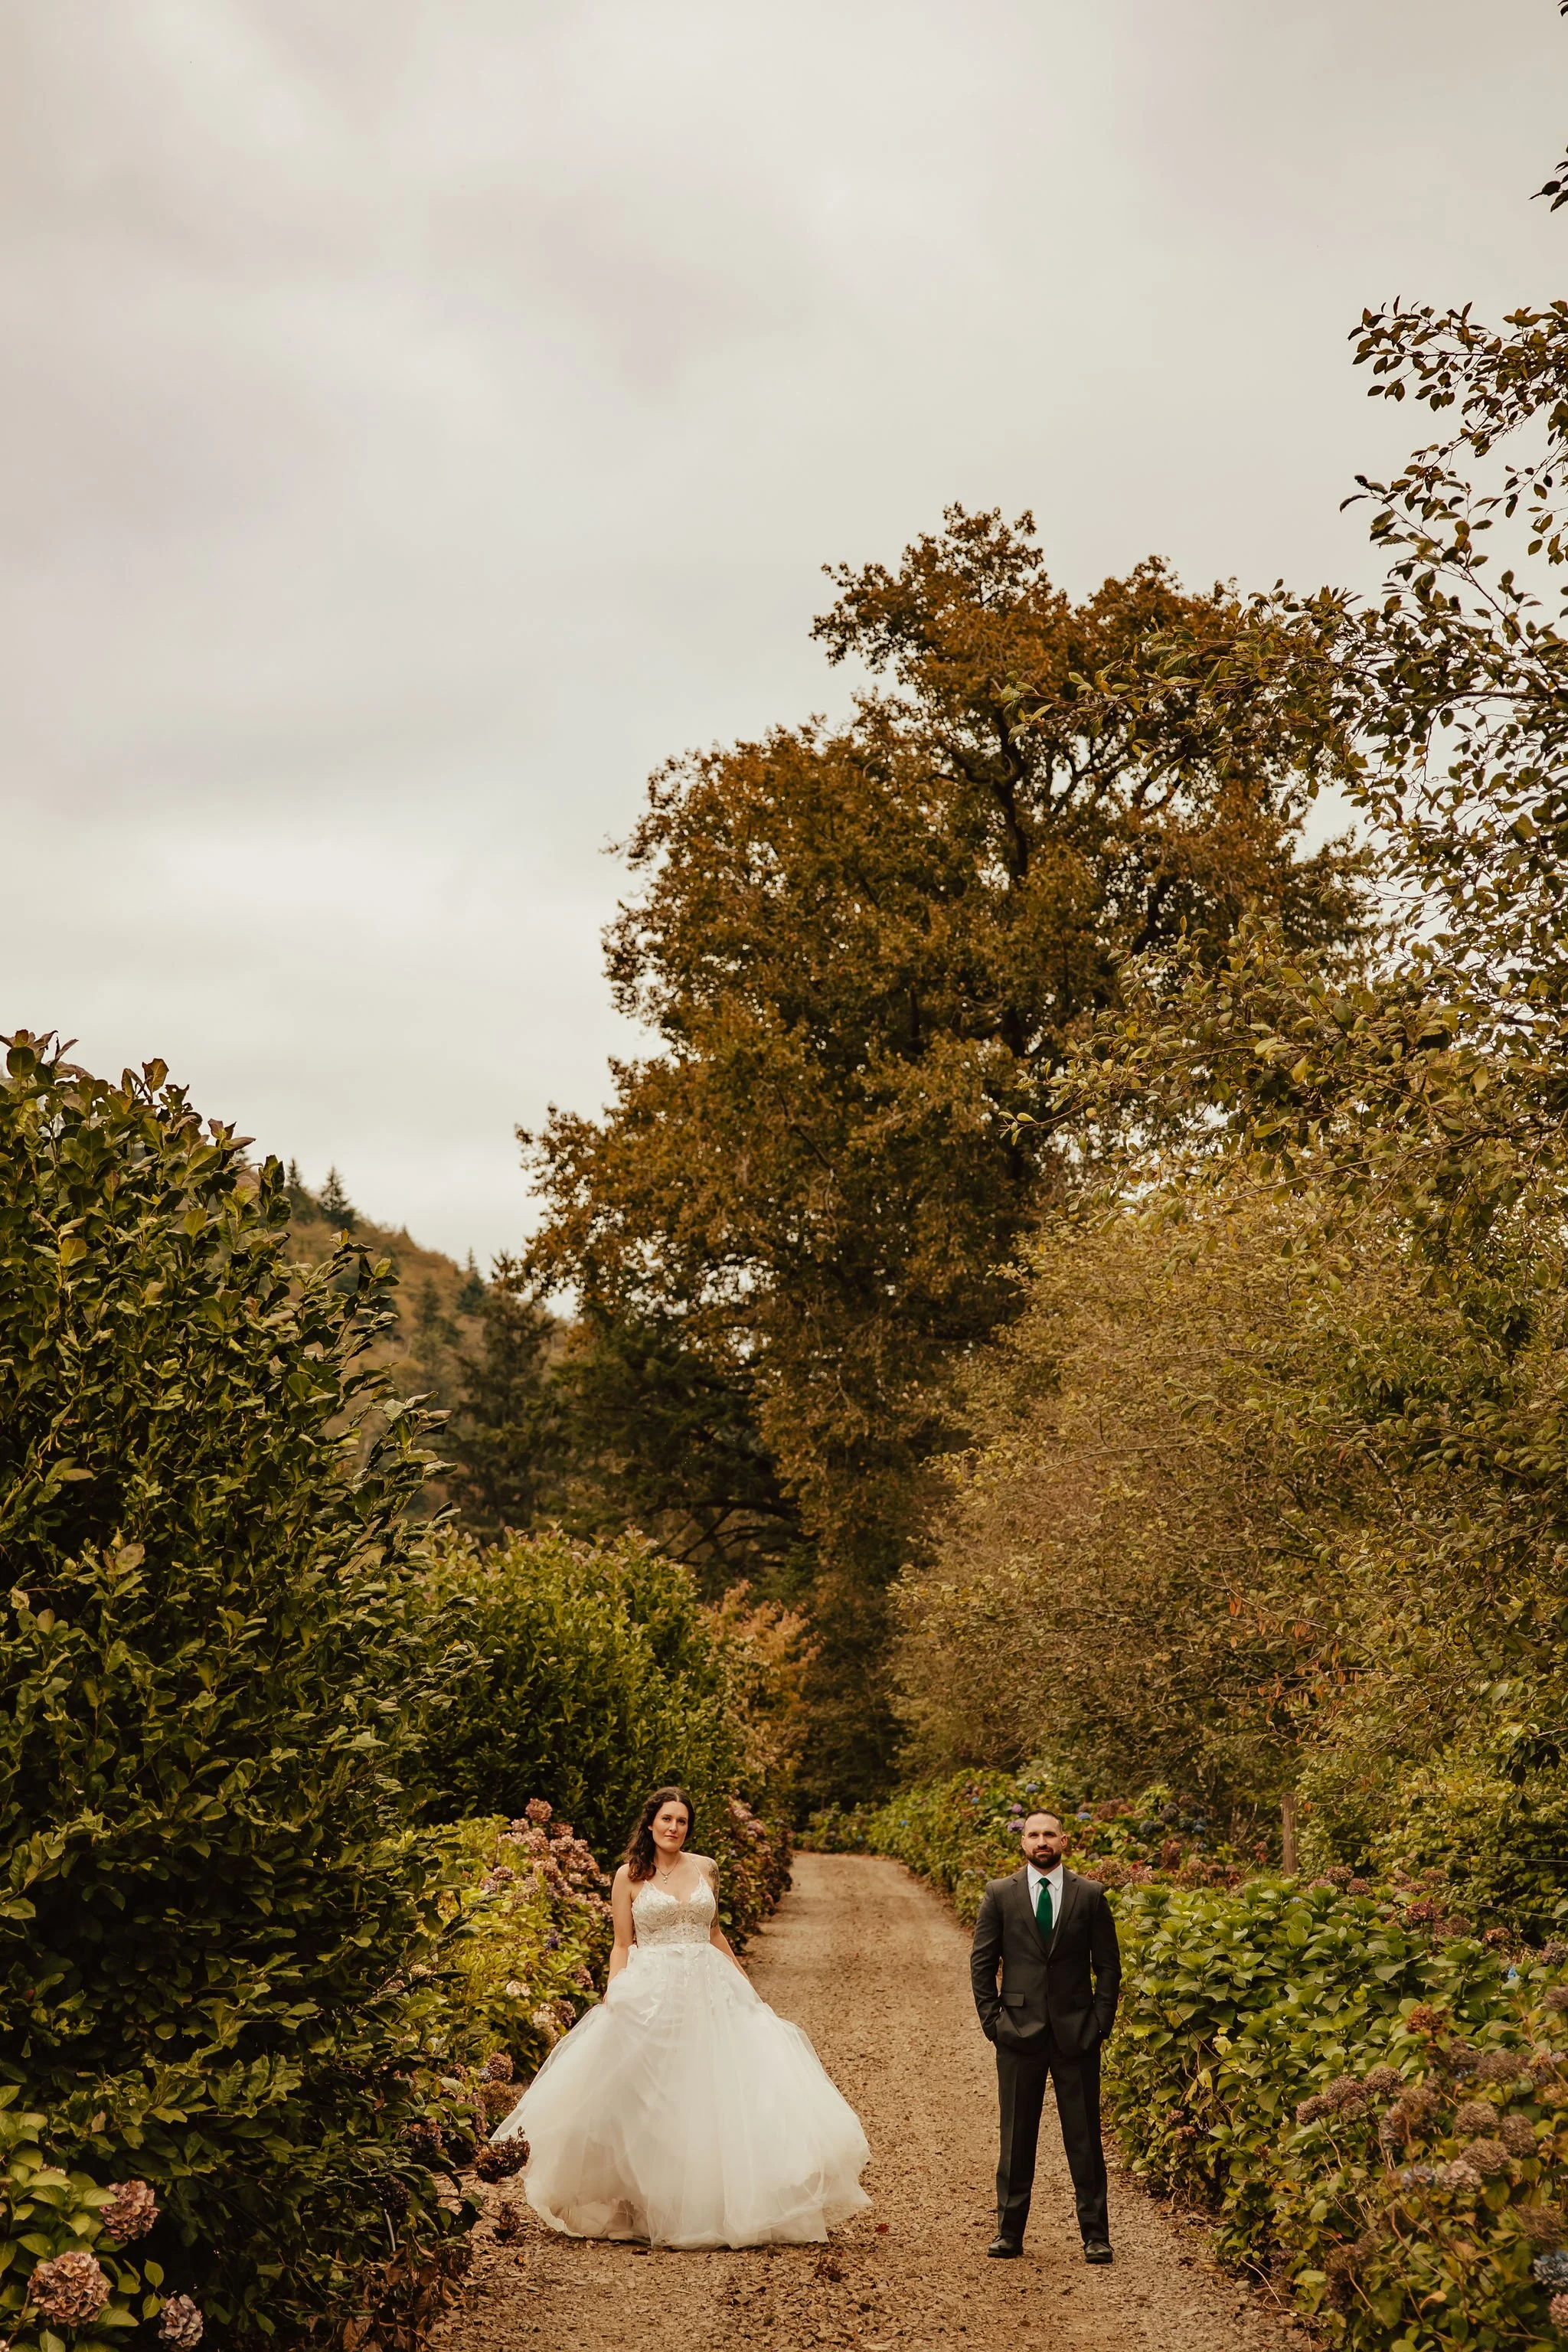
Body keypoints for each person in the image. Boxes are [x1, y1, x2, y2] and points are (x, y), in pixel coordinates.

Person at [490, 1784, 870, 2248]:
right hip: (652, 1987)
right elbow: (621, 1944)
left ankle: (712, 2201)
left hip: (709, 1985)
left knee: (713, 2090)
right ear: (651, 1823)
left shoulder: (706, 1868)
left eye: (682, 1821)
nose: (674, 1828)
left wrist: (745, 1987)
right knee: (651, 2094)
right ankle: (645, 2203)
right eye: (667, 1819)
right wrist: (617, 1989)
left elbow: (713, 1932)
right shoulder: (628, 1876)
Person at [969, 1808, 1121, 2264]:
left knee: (1085, 2137)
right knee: (1016, 2137)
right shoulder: (999, 1894)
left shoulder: (1090, 1895)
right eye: (1033, 1834)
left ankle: (1096, 2236)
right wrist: (993, 2022)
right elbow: (982, 1963)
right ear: (1023, 1842)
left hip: (1077, 2034)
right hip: (1017, 2032)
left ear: (1064, 1841)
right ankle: (1009, 2233)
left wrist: (1101, 2022)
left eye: (1049, 1835)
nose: (1041, 1842)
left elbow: (1108, 1966)